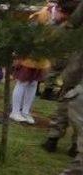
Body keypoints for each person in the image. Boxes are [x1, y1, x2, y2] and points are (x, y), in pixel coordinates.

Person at [7, 0, 83, 175]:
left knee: (30, 88)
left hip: (44, 62)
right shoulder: (42, 16)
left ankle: (24, 112)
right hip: (40, 61)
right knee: (80, 172)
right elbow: (63, 32)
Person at [9, 2, 70, 125]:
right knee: (22, 82)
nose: (64, 19)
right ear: (58, 9)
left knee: (33, 84)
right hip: (29, 55)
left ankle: (25, 111)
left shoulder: (61, 20)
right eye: (63, 15)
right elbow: (27, 37)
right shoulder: (41, 16)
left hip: (43, 57)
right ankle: (15, 111)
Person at [42, 0, 83, 157]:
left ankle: (53, 137)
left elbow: (74, 21)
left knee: (68, 95)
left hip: (78, 59)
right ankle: (75, 145)